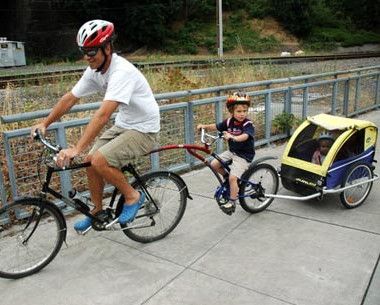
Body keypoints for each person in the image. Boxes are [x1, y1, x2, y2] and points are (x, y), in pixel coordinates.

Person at [30, 20, 160, 232]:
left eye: (91, 52)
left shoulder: (122, 72)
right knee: (91, 161)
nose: (87, 58)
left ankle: (133, 196)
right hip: (125, 124)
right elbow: (69, 99)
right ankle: (97, 211)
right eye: (84, 52)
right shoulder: (95, 70)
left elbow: (103, 115)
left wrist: (76, 148)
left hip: (145, 129)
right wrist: (45, 123)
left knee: (100, 160)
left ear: (107, 48)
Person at [197, 92, 255, 215]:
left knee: (234, 178)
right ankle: (227, 177)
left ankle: (232, 201)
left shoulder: (247, 124)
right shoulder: (229, 122)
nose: (242, 114)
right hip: (232, 151)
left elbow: (245, 136)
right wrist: (205, 126)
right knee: (213, 164)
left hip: (244, 156)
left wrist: (233, 137)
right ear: (232, 111)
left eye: (245, 111)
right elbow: (217, 126)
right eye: (239, 111)